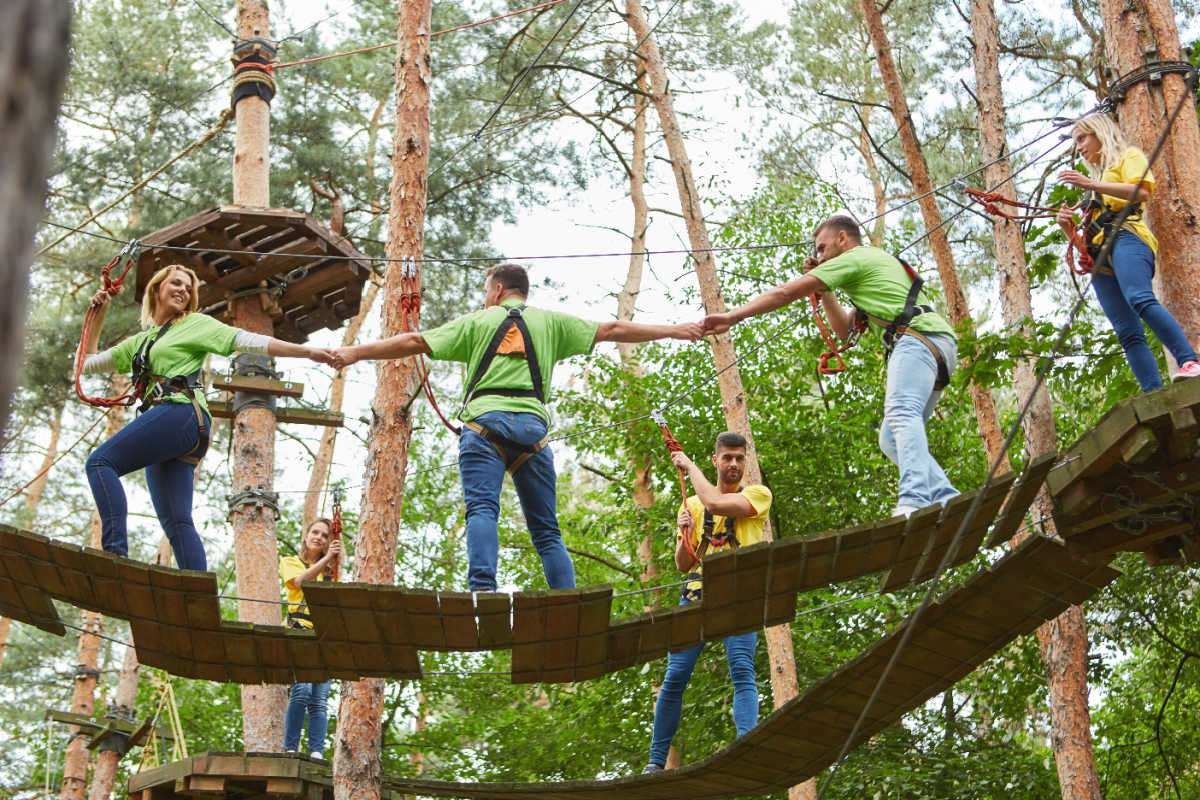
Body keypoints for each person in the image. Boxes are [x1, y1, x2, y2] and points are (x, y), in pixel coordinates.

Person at [330, 262, 702, 591]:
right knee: (546, 530)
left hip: (484, 427)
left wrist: (354, 353)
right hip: (533, 434)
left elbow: (413, 340)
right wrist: (673, 329)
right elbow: (612, 328)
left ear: (496, 289)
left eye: (485, 292)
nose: (484, 299)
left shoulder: (478, 320)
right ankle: (567, 601)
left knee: (481, 510)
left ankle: (483, 592)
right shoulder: (551, 322)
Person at [80, 263, 334, 571]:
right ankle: (198, 597)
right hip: (175, 426)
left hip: (180, 413)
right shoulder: (140, 343)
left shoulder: (194, 324)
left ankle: (115, 555)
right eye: (176, 283)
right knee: (177, 521)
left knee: (100, 462)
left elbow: (247, 340)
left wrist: (306, 352)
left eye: (188, 288)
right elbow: (87, 364)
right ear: (157, 289)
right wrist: (99, 315)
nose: (183, 291)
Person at [701, 215, 958, 517]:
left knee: (902, 413)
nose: (819, 256)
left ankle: (914, 498)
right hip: (934, 345)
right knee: (890, 438)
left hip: (918, 341)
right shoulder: (870, 267)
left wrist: (733, 316)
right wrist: (827, 292)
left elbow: (785, 293)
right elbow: (843, 331)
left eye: (822, 248)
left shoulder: (856, 256)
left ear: (842, 239)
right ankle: (946, 497)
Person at [642, 431, 770, 774]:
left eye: (739, 458)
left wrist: (687, 464)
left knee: (742, 669)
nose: (733, 464)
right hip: (697, 593)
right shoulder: (693, 505)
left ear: (745, 462)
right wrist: (685, 531)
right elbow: (683, 564)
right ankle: (656, 761)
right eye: (727, 457)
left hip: (739, 597)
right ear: (717, 460)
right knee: (675, 676)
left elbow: (717, 504)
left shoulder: (759, 495)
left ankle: (745, 746)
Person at [1056, 112, 1200, 391]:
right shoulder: (1093, 188)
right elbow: (1084, 244)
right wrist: (1068, 229)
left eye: (1082, 138)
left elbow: (1141, 192)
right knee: (1127, 332)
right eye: (1075, 142)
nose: (1079, 147)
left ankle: (1189, 361)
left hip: (1127, 237)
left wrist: (1091, 184)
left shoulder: (1127, 158)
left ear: (1099, 133)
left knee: (1140, 298)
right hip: (1099, 258)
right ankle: (1152, 392)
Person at [280, 517, 342, 759]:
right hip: (299, 631)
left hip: (323, 637)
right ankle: (291, 747)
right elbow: (298, 582)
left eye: (325, 536)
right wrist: (327, 559)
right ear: (306, 536)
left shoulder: (330, 576)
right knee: (302, 690)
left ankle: (316, 751)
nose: (319, 537)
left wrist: (332, 561)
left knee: (319, 699)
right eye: (315, 532)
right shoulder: (290, 562)